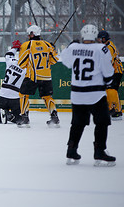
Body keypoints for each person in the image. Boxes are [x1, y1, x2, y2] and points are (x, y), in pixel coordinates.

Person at [61, 24, 116, 167]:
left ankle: (71, 150)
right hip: (95, 93)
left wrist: (71, 46)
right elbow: (108, 72)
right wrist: (108, 81)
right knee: (102, 122)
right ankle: (100, 150)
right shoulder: (101, 48)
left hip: (77, 93)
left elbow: (64, 60)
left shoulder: (74, 48)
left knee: (77, 123)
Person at [17, 25, 59, 127]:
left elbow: (21, 64)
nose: (28, 36)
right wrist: (52, 49)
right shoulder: (47, 45)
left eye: (29, 34)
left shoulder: (27, 45)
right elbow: (54, 61)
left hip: (33, 76)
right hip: (46, 77)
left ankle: (24, 117)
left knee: (23, 94)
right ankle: (54, 117)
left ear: (32, 34)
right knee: (47, 97)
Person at [0, 40, 26, 124]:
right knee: (19, 119)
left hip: (3, 95)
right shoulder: (27, 68)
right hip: (15, 97)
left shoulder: (11, 62)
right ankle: (11, 116)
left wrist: (15, 48)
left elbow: (8, 54)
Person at [97, 30, 123, 120]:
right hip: (110, 71)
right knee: (107, 90)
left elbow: (109, 62)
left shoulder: (109, 48)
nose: (99, 40)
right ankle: (110, 108)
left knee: (112, 89)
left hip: (116, 71)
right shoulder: (104, 47)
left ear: (105, 39)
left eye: (101, 39)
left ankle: (117, 110)